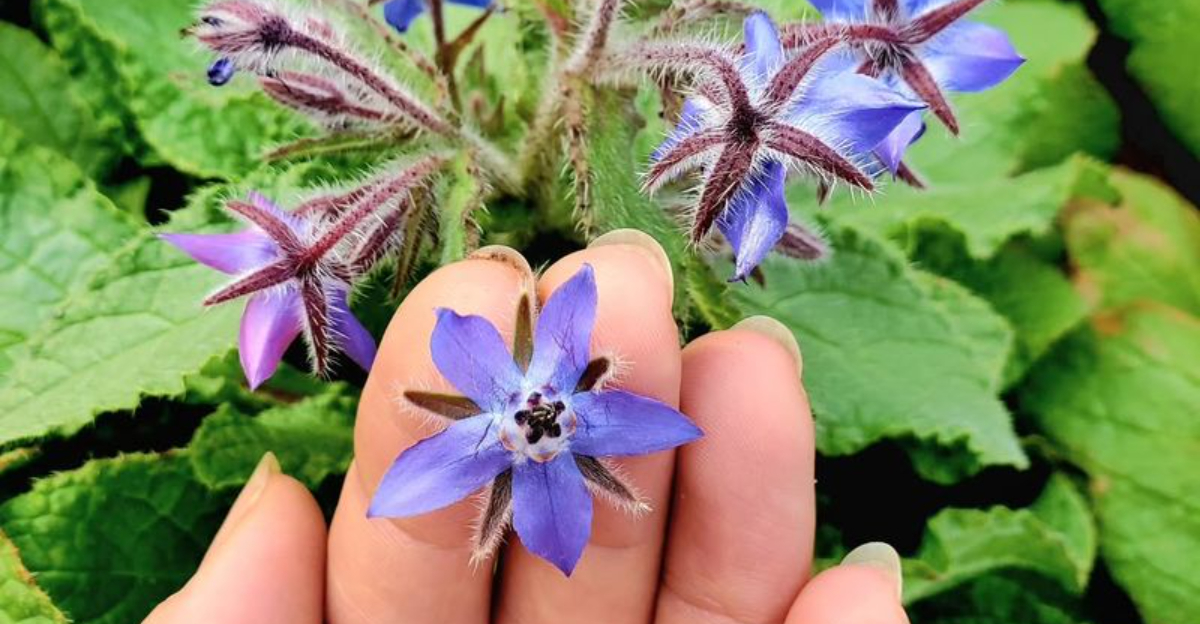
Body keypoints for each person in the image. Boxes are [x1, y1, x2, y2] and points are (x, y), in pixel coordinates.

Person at [145, 230, 910, 624]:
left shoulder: (583, 421)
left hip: (561, 464)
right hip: (507, 451)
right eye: (540, 416)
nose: (542, 417)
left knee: (734, 389)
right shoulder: (478, 371)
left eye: (544, 416)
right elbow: (464, 330)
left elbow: (596, 330)